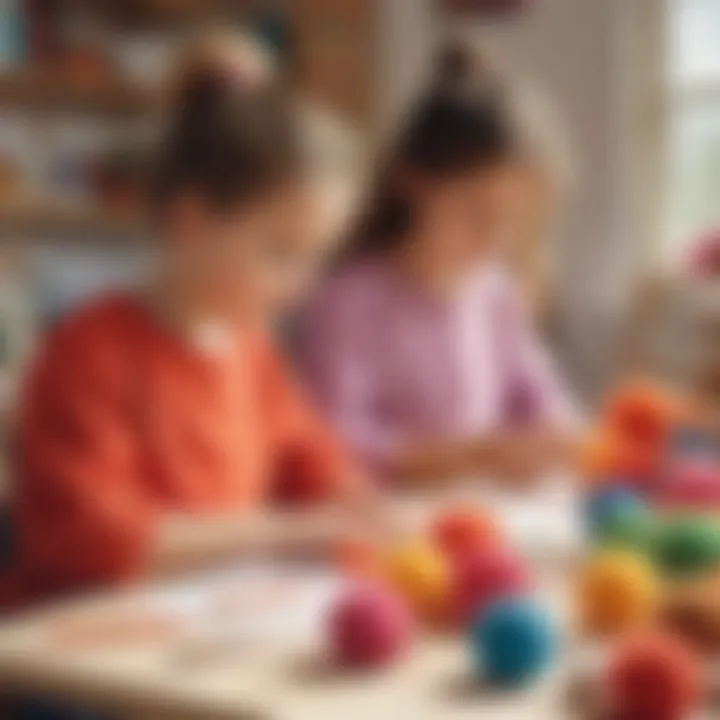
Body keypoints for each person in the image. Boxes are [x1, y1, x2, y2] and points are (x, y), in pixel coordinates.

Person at [3, 33, 376, 607]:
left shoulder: (250, 349)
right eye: (282, 251)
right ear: (191, 221)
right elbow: (102, 542)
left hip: (198, 632)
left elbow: (317, 466)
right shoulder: (88, 351)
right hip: (76, 659)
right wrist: (288, 534)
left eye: (315, 257)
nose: (303, 282)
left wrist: (359, 512)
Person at [301, 42, 580, 487]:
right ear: (412, 181)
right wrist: (470, 454)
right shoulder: (351, 300)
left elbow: (539, 396)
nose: (497, 237)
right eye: (477, 212)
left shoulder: (495, 292)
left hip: (482, 513)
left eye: (518, 221)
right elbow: (332, 441)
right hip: (385, 523)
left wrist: (555, 436)